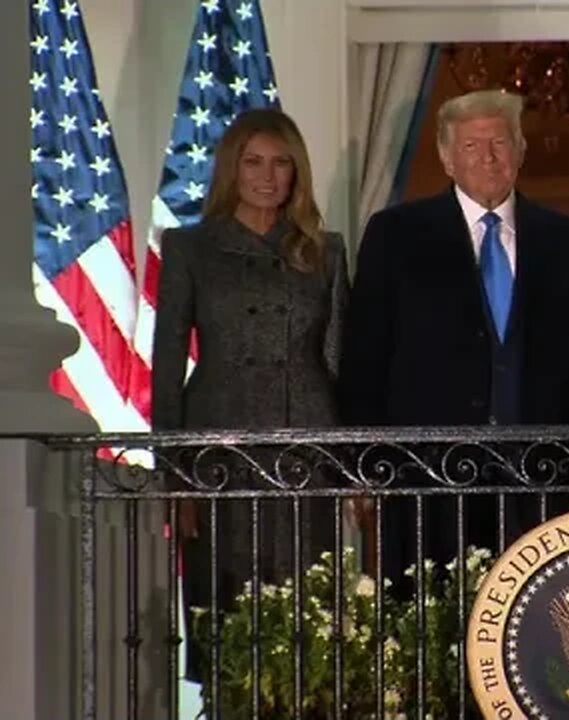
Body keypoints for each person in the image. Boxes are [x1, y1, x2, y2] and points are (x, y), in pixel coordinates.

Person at [338, 90, 569, 592]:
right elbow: (365, 356)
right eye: (471, 146)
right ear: (446, 158)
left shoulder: (567, 241)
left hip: (540, 479)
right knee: (428, 624)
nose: (488, 157)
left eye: (499, 142)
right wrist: (363, 465)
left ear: (520, 150)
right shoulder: (396, 235)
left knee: (534, 629)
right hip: (427, 479)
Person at [150, 108, 349, 680]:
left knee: (309, 623)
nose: (268, 176)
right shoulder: (191, 249)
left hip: (307, 452)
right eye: (254, 162)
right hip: (219, 453)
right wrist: (175, 475)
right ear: (231, 170)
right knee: (226, 619)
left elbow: (340, 365)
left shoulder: (325, 251)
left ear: (297, 173)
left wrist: (353, 468)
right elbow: (166, 367)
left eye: (282, 163)